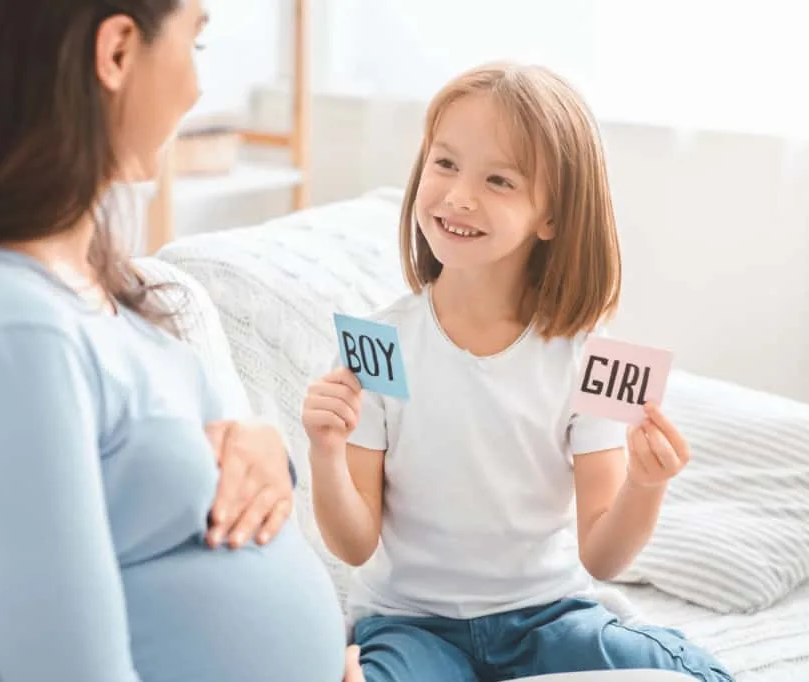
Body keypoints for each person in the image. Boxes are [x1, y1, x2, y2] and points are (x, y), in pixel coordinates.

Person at [0, 2, 362, 681]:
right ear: (118, 51)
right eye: (196, 42)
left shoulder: (103, 296)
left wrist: (270, 457)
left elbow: (205, 471)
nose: (198, 88)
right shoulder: (5, 329)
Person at [302, 63, 735, 682]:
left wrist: (645, 484)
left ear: (552, 218)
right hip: (410, 624)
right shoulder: (379, 342)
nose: (458, 196)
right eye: (444, 163)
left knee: (692, 674)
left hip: (547, 617)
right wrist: (324, 451)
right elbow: (354, 545)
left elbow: (603, 557)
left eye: (498, 180)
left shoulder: (594, 353)